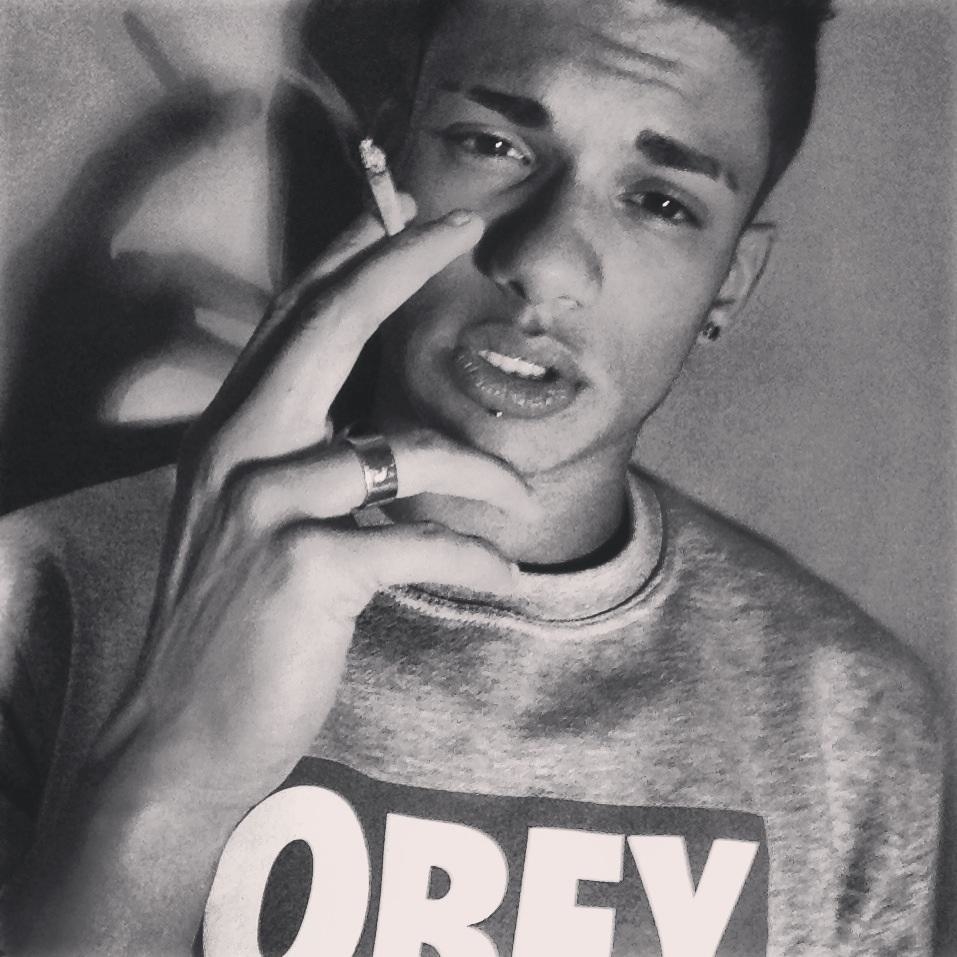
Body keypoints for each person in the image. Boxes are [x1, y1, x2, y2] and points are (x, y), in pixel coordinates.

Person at [0, 0, 945, 953]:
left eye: (660, 202)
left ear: (728, 283)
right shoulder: (40, 595)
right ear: (385, 168)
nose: (542, 264)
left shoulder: (848, 717)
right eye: (492, 145)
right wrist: (171, 769)